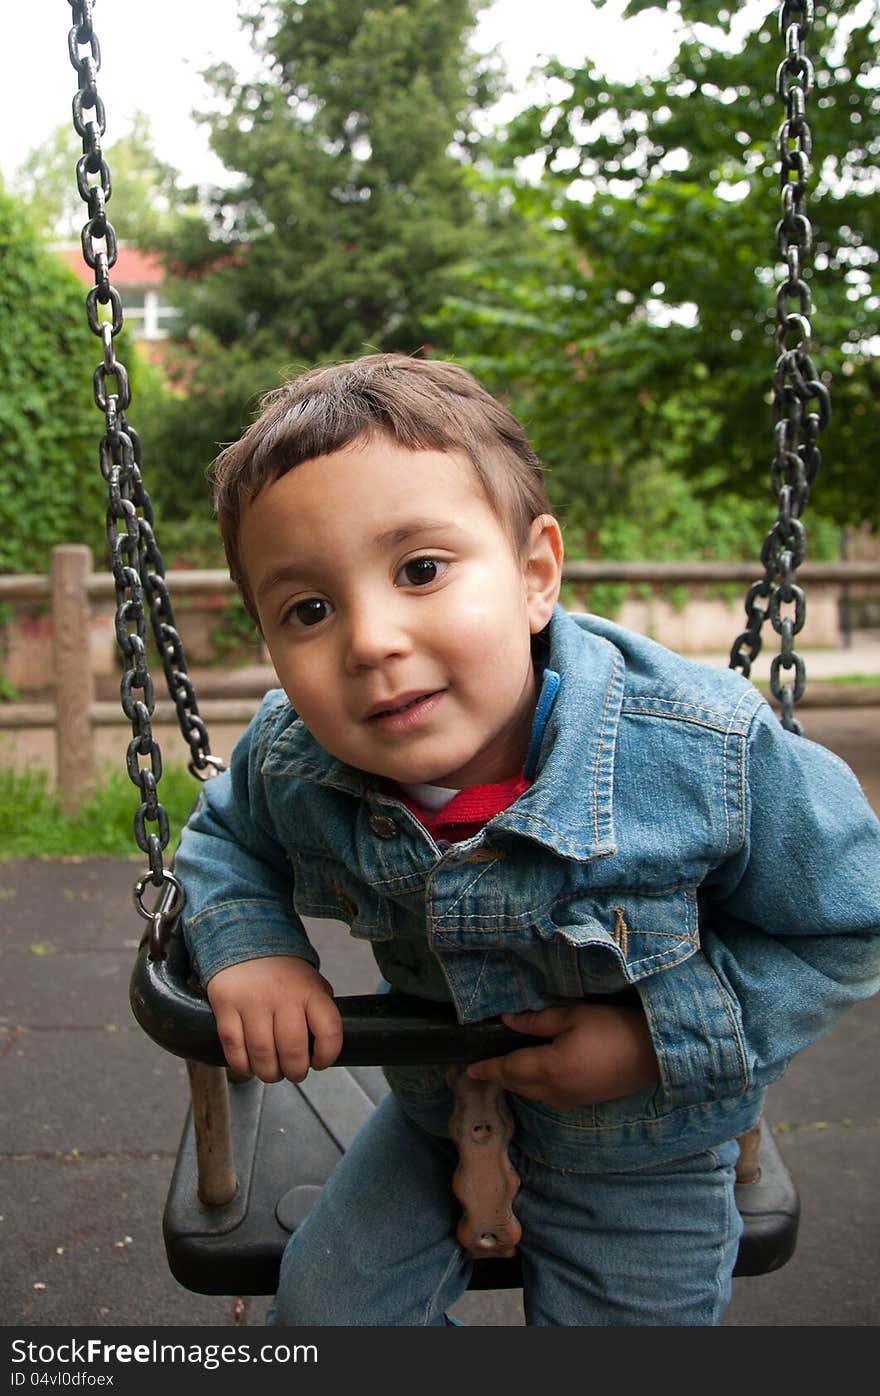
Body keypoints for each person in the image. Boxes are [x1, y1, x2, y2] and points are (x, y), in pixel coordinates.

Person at [175, 352, 880, 1326]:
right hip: (429, 1111)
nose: (370, 639)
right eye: (308, 608)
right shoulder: (291, 757)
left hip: (645, 1137)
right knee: (321, 1322)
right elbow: (226, 839)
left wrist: (650, 1041)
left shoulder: (700, 747)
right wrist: (253, 946)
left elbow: (852, 914)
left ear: (535, 573)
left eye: (420, 569)